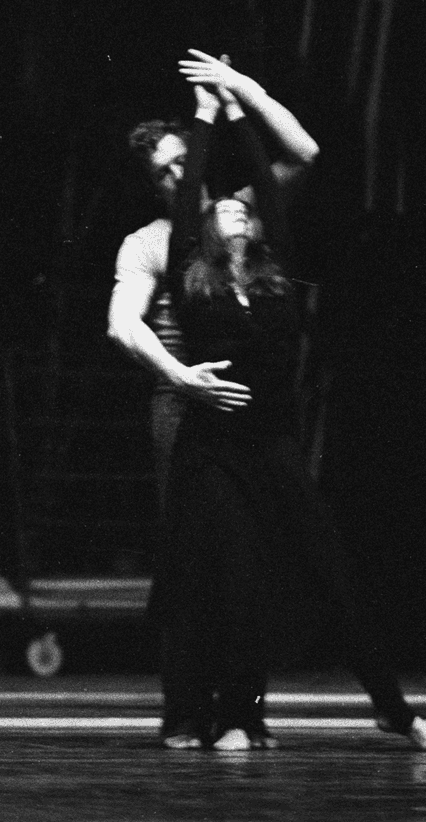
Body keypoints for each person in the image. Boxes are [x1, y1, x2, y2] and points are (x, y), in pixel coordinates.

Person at [156, 55, 426, 752]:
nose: (231, 205)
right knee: (236, 582)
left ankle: (393, 708)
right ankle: (235, 715)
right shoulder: (189, 277)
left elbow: (264, 180)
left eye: (242, 207)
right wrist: (202, 116)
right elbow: (195, 186)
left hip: (272, 440)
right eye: (218, 206)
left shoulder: (275, 273)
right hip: (213, 447)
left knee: (334, 571)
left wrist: (237, 104)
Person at [108, 52, 321, 516]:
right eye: (163, 172)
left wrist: (241, 87)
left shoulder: (238, 212)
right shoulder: (147, 242)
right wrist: (179, 375)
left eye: (182, 161)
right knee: (194, 541)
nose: (178, 176)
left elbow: (303, 153)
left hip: (253, 400)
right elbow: (122, 325)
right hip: (184, 395)